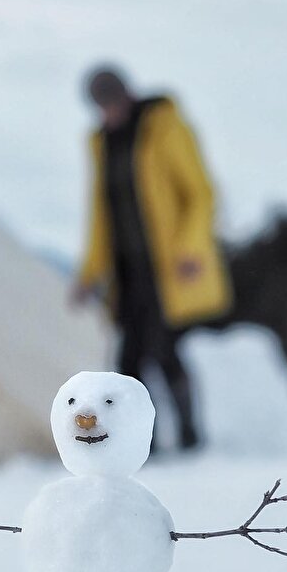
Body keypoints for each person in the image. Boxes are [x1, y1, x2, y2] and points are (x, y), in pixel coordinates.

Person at [71, 65, 232, 450]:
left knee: (162, 348)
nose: (108, 112)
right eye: (100, 106)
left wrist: (191, 249)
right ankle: (142, 443)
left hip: (167, 269)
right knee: (128, 360)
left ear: (126, 94)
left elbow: (201, 193)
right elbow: (101, 217)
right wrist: (89, 274)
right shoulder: (101, 144)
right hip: (127, 272)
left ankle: (191, 436)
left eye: (112, 102)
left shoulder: (165, 126)